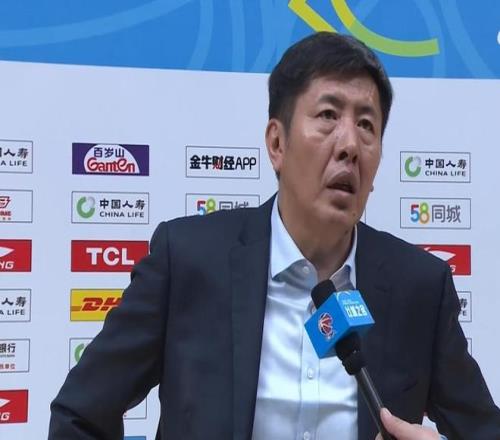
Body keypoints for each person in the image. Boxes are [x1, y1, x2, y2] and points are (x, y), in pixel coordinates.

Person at [48, 32, 500, 439]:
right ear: (277, 144)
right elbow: (79, 415)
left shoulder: (419, 287)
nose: (349, 145)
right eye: (328, 115)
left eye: (367, 125)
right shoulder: (187, 260)